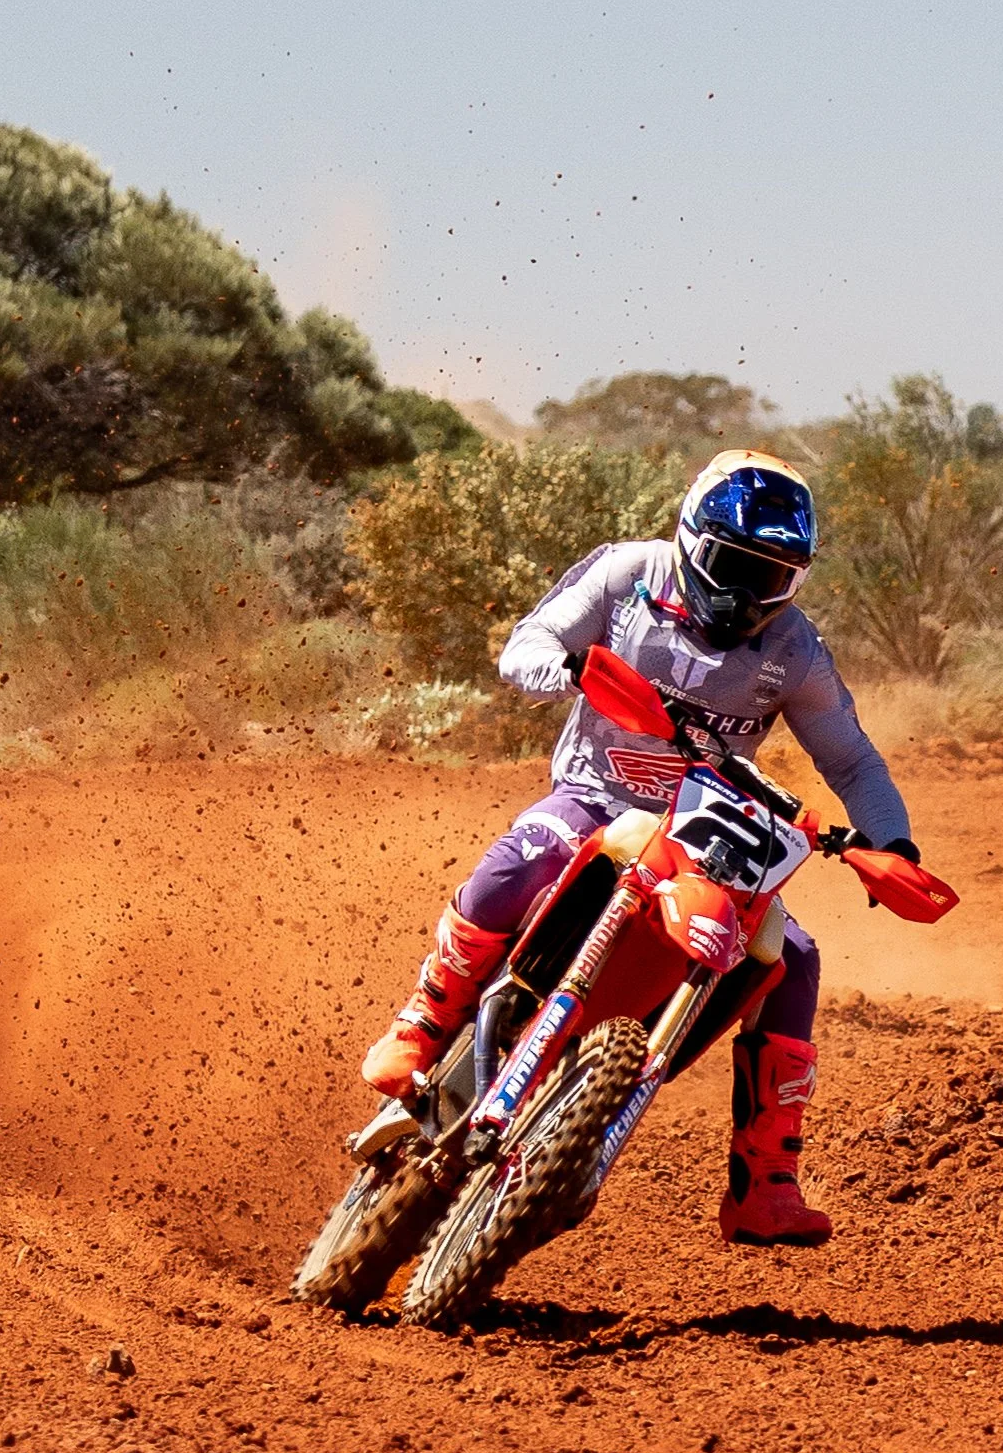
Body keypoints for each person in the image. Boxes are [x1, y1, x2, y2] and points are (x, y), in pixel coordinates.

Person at [359, 450, 919, 1247]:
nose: (742, 594)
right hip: (595, 798)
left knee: (791, 958)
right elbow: (529, 641)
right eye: (731, 565)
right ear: (692, 539)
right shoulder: (629, 576)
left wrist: (895, 842)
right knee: (519, 860)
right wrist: (565, 667)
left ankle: (765, 1182)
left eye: (769, 579)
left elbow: (852, 759)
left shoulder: (793, 648)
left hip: (708, 836)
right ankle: (423, 1022)